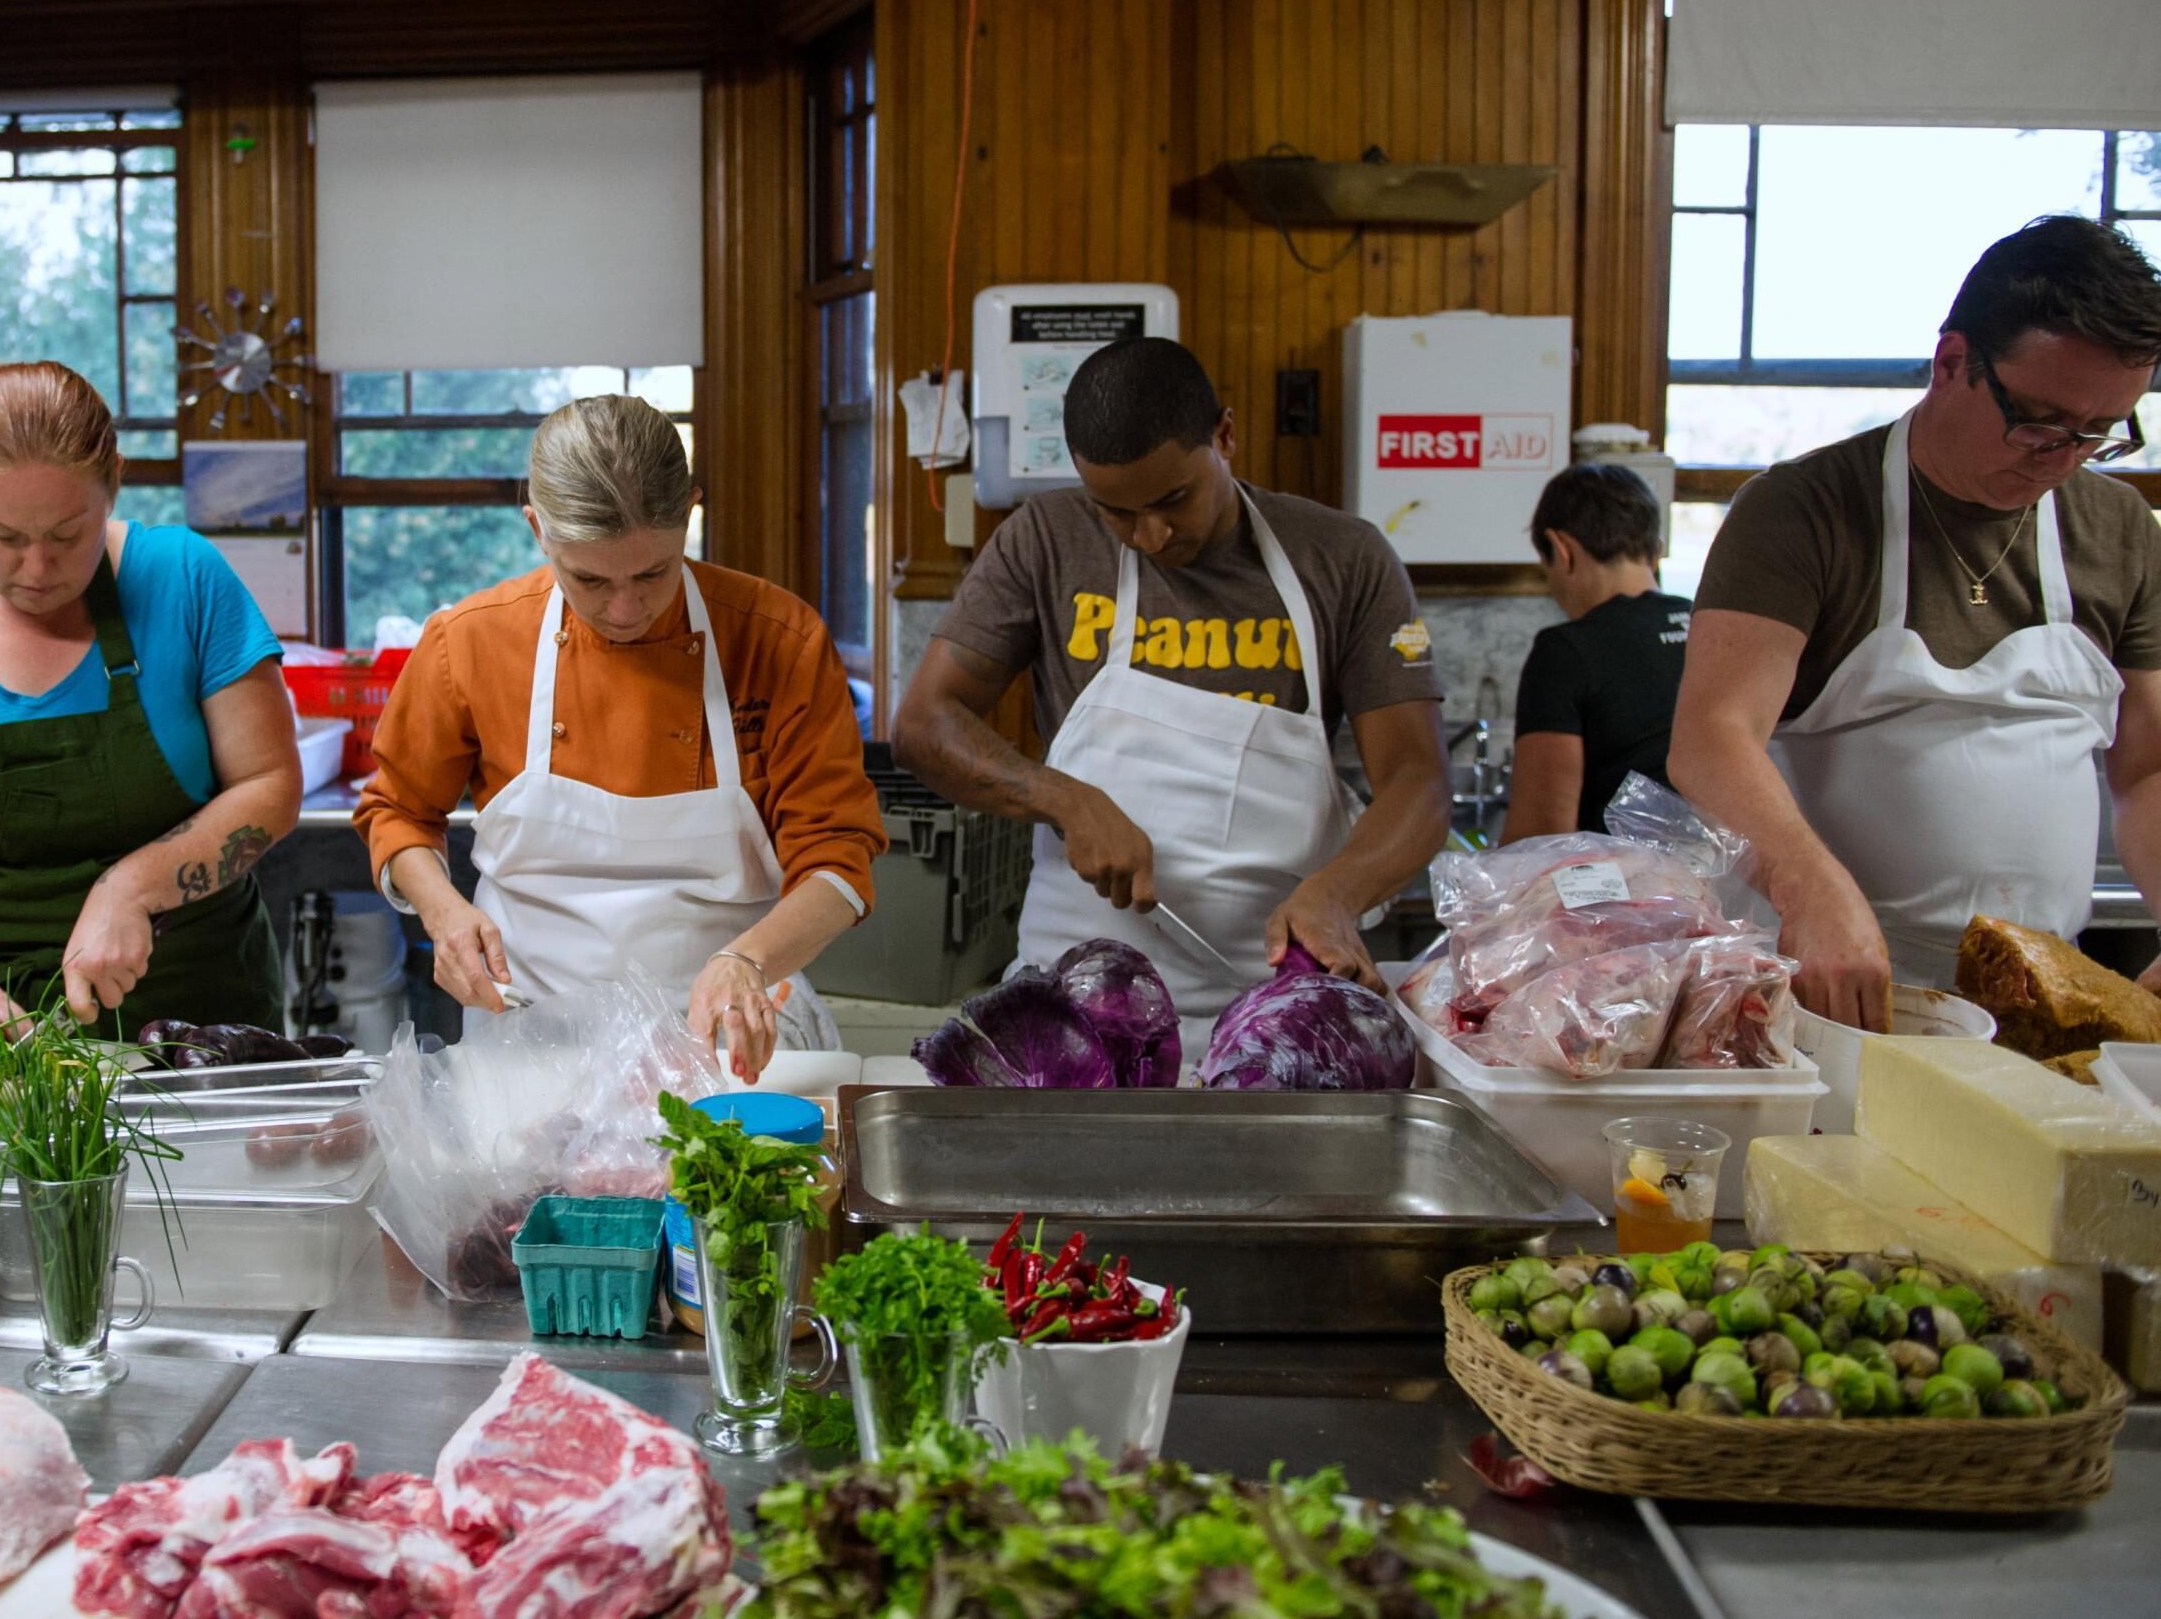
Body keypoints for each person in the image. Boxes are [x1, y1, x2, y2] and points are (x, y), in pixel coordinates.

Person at [1672, 216, 2161, 1029]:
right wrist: (1809, 886)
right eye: (2039, 423)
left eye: (2097, 433)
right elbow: (1712, 735)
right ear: (1952, 361)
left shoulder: (2119, 531)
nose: (2060, 457)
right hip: (1827, 993)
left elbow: (2146, 769)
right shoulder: (1804, 511)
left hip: (2041, 999)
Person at [893, 337, 1450, 1017]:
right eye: (1116, 512)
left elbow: (1417, 779)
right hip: (1077, 1006)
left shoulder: (1343, 557)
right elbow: (925, 723)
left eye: (1174, 499)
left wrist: (1338, 894)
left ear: (1227, 434)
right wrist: (1066, 800)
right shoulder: (1047, 539)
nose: (1149, 536)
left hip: (1279, 1005)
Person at [353, 395, 886, 1081]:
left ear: (690, 514)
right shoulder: (470, 644)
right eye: (590, 580)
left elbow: (839, 859)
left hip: (732, 1034)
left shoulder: (778, 640)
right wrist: (445, 915)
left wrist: (746, 959)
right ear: (538, 531)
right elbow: (396, 812)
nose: (625, 609)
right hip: (532, 1033)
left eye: (653, 573)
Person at [0, 362, 302, 1032]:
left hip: (186, 1031)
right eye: (5, 538)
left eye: (69, 536)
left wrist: (131, 888)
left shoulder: (186, 579)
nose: (37, 570)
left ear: (114, 482)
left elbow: (270, 783)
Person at [1500, 464, 1689, 841]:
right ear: (1656, 549)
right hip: (1729, 887)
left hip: (1627, 894)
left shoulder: (1566, 651)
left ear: (1561, 550)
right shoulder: (1709, 625)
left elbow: (1541, 835)